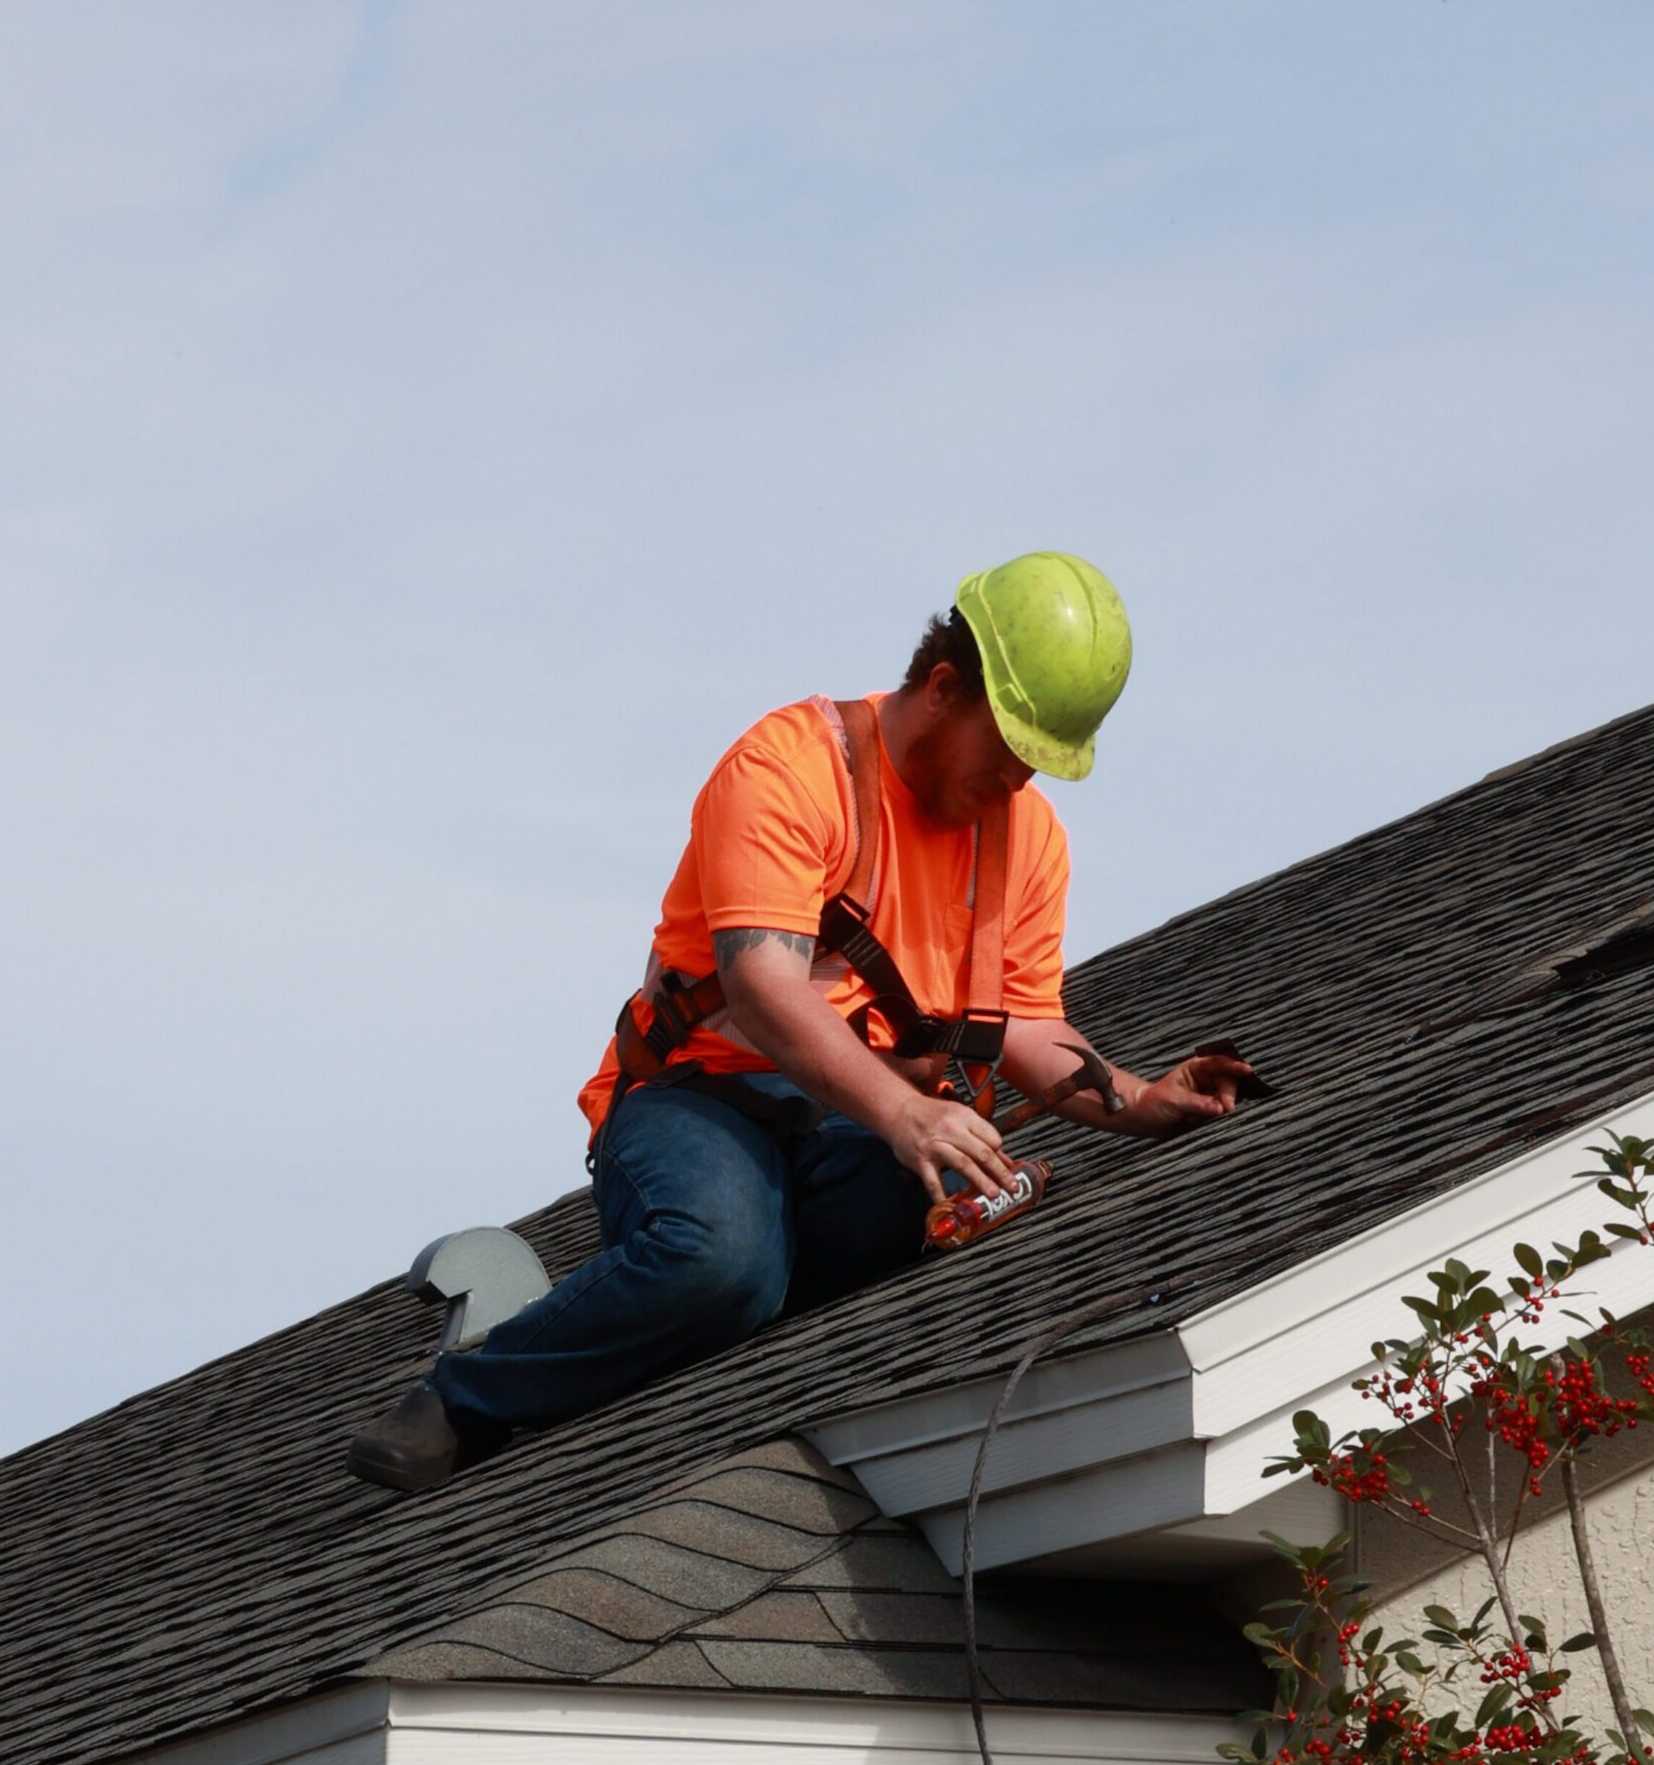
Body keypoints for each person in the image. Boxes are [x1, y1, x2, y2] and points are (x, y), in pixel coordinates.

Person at [345, 551, 1248, 1496]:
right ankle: (464, 1393)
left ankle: (699, 1298)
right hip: (701, 1097)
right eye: (1011, 747)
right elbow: (764, 988)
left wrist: (1141, 1097)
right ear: (944, 687)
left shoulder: (1026, 841)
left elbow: (1024, 1021)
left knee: (956, 1192)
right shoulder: (793, 766)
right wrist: (905, 1118)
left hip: (851, 1128)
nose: (1020, 782)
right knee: (719, 1259)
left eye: (1041, 762)